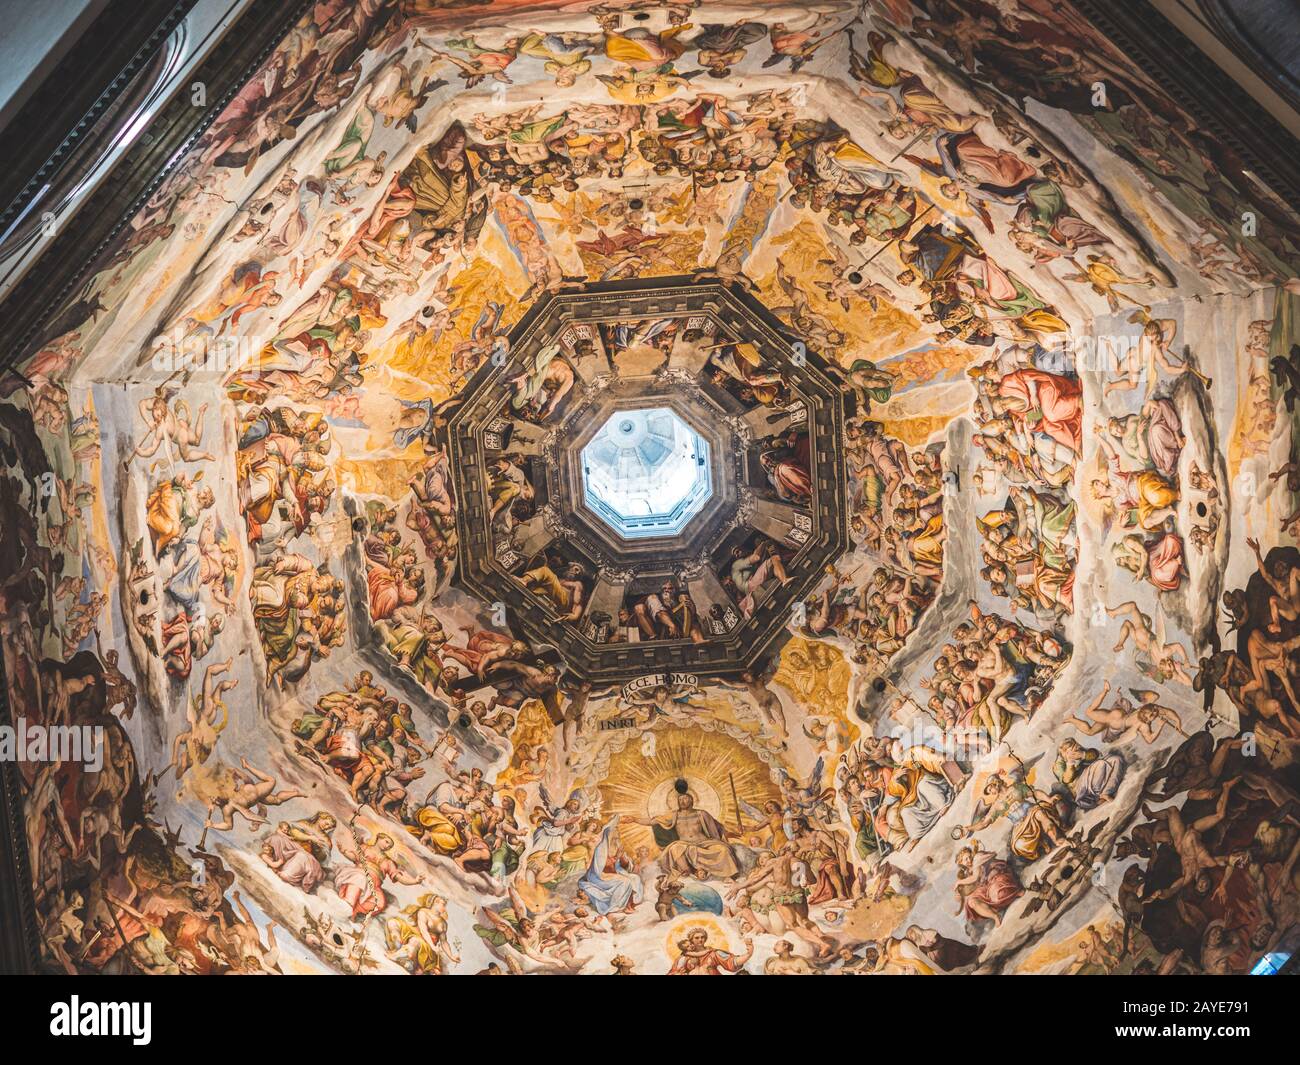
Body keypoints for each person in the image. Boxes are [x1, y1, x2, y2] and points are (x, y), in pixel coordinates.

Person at [630, 792, 740, 879]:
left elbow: (719, 827)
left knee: (722, 849)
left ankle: (728, 875)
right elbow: (653, 821)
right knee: (674, 848)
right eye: (680, 799)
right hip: (685, 844)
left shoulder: (701, 814)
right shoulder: (674, 815)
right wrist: (634, 819)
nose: (682, 801)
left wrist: (736, 830)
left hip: (704, 843)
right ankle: (688, 871)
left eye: (685, 798)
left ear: (691, 800)